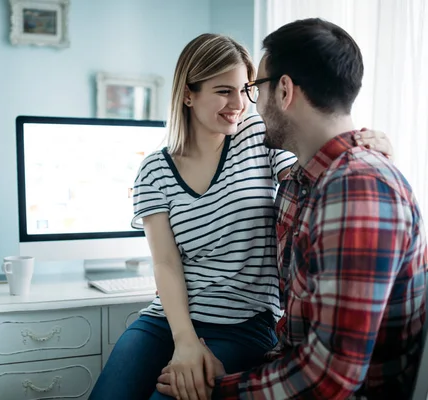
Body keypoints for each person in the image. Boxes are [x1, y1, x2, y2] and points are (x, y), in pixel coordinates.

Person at [89, 33, 392, 400]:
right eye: (223, 91)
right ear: (188, 94)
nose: (239, 103)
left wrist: (368, 144)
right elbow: (166, 264)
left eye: (244, 89)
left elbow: (312, 170)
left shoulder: (257, 136)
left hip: (244, 325)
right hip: (168, 321)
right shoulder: (154, 171)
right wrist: (184, 341)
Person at [156, 18, 427, 400]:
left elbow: (328, 381)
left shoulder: (359, 189)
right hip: (282, 368)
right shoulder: (298, 184)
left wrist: (218, 390)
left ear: (283, 90)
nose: (248, 106)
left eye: (254, 89)